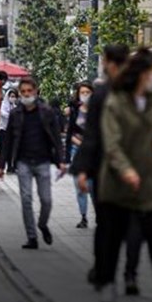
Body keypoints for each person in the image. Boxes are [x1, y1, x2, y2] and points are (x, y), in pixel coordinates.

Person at [92, 49, 152, 302]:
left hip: (147, 178)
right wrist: (126, 170)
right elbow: (111, 144)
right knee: (115, 233)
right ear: (142, 73)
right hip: (118, 180)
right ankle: (108, 282)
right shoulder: (116, 101)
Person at [72, 44, 130, 286]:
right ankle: (105, 270)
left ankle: (124, 274)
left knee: (121, 225)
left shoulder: (133, 93)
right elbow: (92, 135)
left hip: (127, 169)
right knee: (107, 221)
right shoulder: (102, 95)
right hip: (106, 169)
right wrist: (83, 169)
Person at [0, 77, 65, 250]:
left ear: (35, 92)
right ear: (20, 94)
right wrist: (1, 166)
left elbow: (56, 138)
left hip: (43, 161)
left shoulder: (46, 112)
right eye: (23, 92)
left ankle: (42, 224)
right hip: (23, 162)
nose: (26, 94)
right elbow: (9, 141)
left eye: (29, 91)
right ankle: (32, 237)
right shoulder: (15, 114)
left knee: (46, 200)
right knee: (26, 199)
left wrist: (61, 161)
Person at [66, 81, 94, 227]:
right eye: (82, 93)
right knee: (79, 186)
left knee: (93, 186)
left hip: (94, 153)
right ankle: (83, 217)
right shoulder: (75, 110)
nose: (85, 95)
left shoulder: (98, 111)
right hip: (76, 151)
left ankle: (100, 215)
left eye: (87, 92)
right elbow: (70, 131)